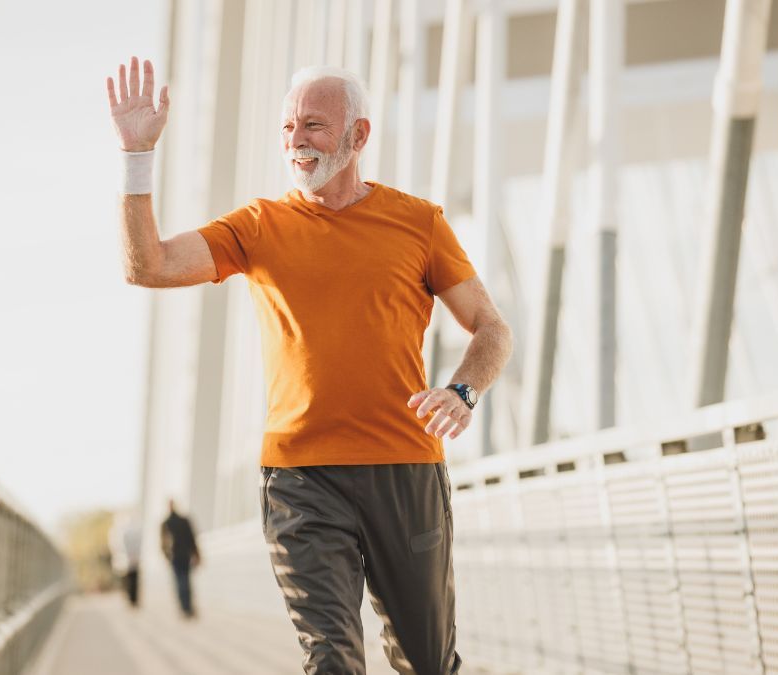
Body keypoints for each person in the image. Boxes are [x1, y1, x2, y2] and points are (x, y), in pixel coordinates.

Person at [106, 57, 512, 674]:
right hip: (301, 479)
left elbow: (492, 328)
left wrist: (463, 390)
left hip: (403, 467)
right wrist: (137, 157)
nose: (296, 140)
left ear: (359, 136)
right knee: (331, 659)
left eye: (315, 125)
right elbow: (148, 266)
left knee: (426, 662)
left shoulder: (419, 223)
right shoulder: (258, 227)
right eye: (288, 127)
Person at [159, 500, 200, 619]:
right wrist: (196, 554)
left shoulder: (166, 523)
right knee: (185, 581)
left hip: (176, 556)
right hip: (184, 555)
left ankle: (185, 607)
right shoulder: (183, 520)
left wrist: (166, 555)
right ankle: (187, 607)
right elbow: (192, 538)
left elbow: (162, 542)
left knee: (180, 581)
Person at [108, 510, 142, 608]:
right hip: (127, 558)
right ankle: (132, 599)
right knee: (130, 578)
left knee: (129, 579)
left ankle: (132, 599)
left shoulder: (121, 531)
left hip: (128, 558)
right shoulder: (119, 531)